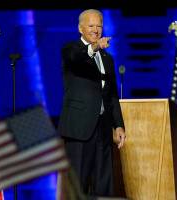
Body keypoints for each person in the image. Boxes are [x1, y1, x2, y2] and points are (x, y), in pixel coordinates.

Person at [58, 9, 126, 196]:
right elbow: (76, 58)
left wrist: (118, 125)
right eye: (91, 26)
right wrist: (94, 48)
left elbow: (111, 94)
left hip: (103, 129)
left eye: (99, 26)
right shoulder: (70, 50)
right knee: (78, 183)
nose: (96, 30)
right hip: (80, 128)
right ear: (80, 28)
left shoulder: (108, 59)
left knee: (104, 182)